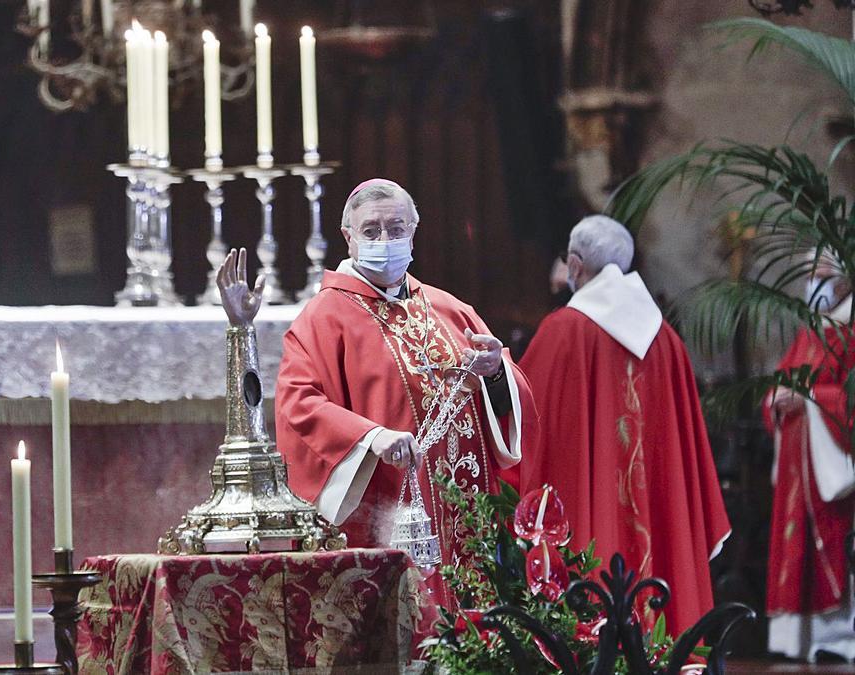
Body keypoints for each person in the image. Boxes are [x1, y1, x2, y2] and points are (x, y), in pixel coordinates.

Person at [270, 178, 537, 601]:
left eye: (396, 229)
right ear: (348, 237)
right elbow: (298, 404)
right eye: (371, 231)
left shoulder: (452, 309)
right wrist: (372, 438)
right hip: (388, 506)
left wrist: (494, 373)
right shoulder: (324, 317)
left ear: (413, 231)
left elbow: (511, 397)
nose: (385, 240)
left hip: (467, 507)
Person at [514, 215, 730, 636]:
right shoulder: (666, 339)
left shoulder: (563, 330)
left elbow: (525, 417)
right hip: (658, 506)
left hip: (590, 509)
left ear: (574, 266)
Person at [764, 255, 855, 662]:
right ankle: (792, 640)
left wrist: (812, 400)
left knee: (832, 546)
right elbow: (783, 380)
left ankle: (835, 639)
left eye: (819, 277)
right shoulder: (810, 331)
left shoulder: (851, 328)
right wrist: (776, 400)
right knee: (792, 547)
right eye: (809, 278)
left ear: (843, 280)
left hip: (831, 464)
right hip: (796, 466)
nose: (811, 286)